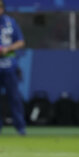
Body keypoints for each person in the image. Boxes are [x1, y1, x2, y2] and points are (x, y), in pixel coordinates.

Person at [0, 0, 26, 135]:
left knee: (14, 97)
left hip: (10, 66)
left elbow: (21, 42)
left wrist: (7, 49)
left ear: (2, 9)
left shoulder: (10, 22)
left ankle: (20, 127)